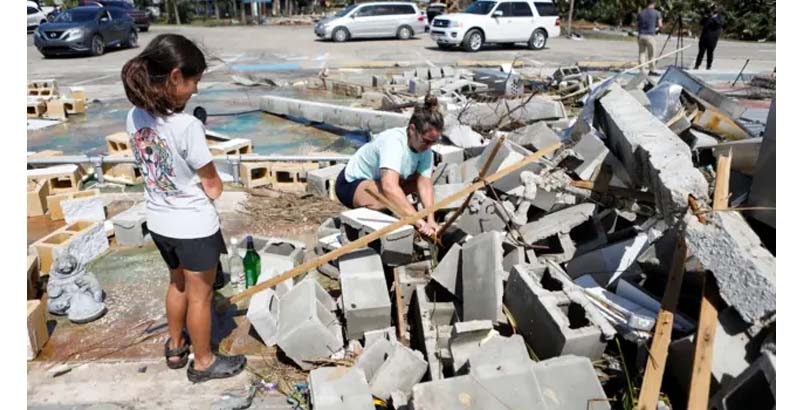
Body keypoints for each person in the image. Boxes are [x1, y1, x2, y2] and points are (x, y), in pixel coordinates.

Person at [121, 34, 246, 383]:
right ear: (175, 77)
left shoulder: (134, 116)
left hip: (160, 221)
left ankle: (176, 346)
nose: (195, 90)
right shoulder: (188, 126)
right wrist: (214, 182)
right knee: (200, 297)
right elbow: (212, 185)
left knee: (177, 283)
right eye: (194, 81)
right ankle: (204, 361)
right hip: (192, 227)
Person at [335, 95, 444, 237]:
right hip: (351, 183)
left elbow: (424, 183)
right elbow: (389, 186)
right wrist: (417, 220)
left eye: (433, 142)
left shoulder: (426, 150)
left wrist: (430, 220)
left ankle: (399, 209)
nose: (429, 146)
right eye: (426, 141)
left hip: (380, 181)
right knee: (386, 198)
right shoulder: (394, 142)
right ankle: (384, 211)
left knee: (420, 181)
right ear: (412, 129)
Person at [637, 0, 662, 75]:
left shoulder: (641, 12)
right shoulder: (657, 13)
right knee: (651, 55)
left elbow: (637, 25)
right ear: (654, 3)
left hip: (641, 35)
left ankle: (642, 71)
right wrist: (657, 29)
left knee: (641, 53)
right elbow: (660, 25)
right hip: (650, 35)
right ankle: (652, 70)